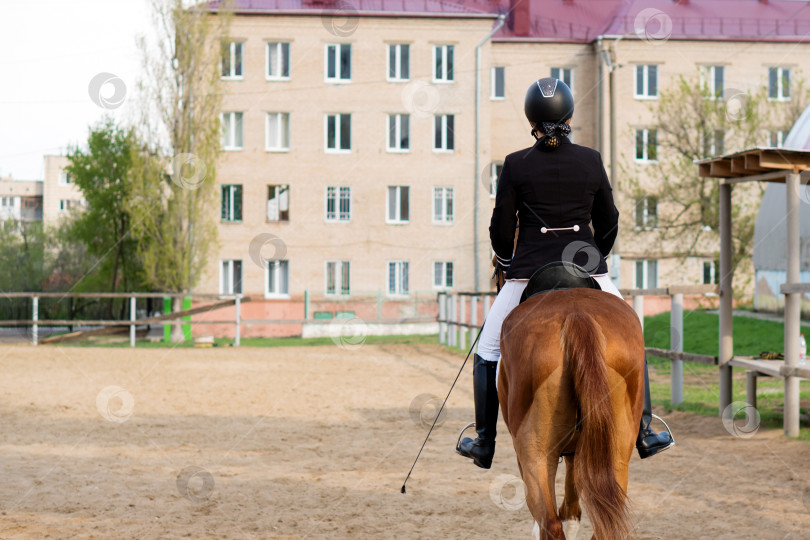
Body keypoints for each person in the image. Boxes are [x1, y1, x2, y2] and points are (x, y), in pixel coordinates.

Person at [456, 77, 674, 469]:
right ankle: (644, 431)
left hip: (527, 274)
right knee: (633, 335)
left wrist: (506, 263)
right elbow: (609, 221)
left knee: (488, 350)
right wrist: (595, 258)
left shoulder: (516, 164)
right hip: (588, 269)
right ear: (570, 115)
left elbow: (501, 227)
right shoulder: (590, 159)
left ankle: (484, 440)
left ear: (531, 119)